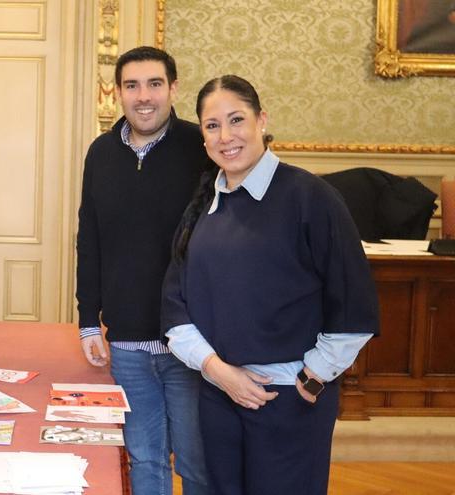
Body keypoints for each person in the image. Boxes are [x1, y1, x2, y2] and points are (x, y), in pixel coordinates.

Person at [162, 75, 379, 495]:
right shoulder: (203, 207)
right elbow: (175, 304)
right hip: (219, 396)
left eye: (237, 119)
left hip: (289, 400)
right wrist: (219, 372)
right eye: (212, 125)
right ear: (203, 136)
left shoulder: (312, 198)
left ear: (262, 120)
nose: (226, 136)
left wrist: (312, 379)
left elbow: (353, 302)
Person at [76, 46, 211, 495]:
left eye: (155, 84)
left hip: (191, 341)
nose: (143, 96)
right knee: (145, 460)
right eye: (131, 85)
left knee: (196, 465)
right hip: (129, 345)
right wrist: (86, 320)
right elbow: (89, 239)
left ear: (173, 88)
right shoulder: (100, 153)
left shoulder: (202, 148)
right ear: (117, 93)